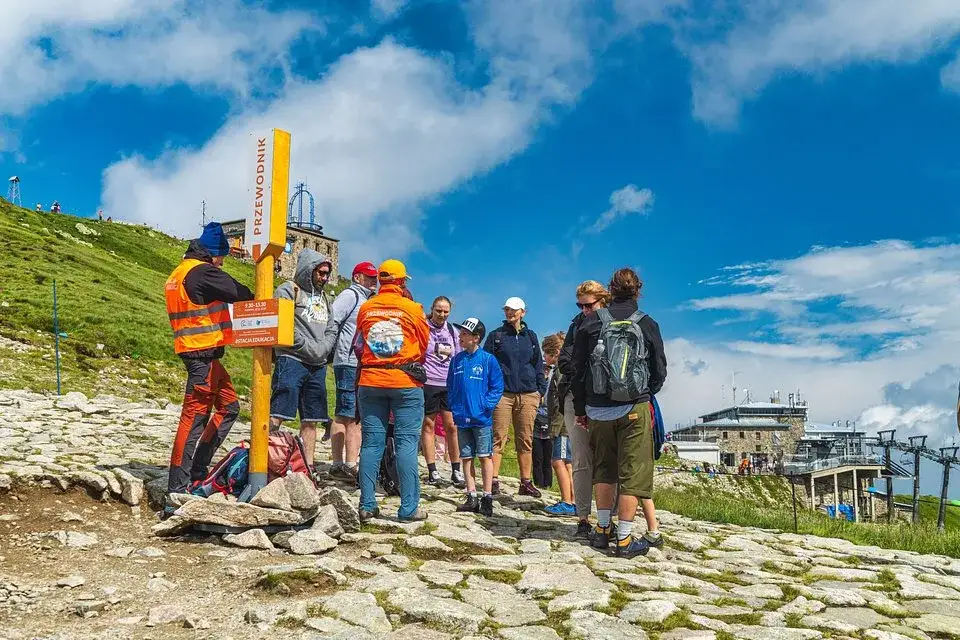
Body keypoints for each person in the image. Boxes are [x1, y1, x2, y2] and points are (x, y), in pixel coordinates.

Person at [572, 267, 667, 558]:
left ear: (610, 291)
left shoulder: (590, 324)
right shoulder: (647, 324)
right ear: (638, 291)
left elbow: (576, 371)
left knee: (604, 469)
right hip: (634, 407)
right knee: (633, 474)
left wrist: (581, 408)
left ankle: (602, 530)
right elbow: (659, 371)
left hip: (597, 409)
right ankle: (624, 540)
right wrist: (643, 393)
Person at [164, 222, 253, 496]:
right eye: (222, 257)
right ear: (212, 253)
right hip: (202, 357)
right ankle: (177, 489)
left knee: (230, 408)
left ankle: (198, 471)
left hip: (202, 354)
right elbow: (242, 293)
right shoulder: (203, 273)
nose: (223, 263)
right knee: (192, 420)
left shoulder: (179, 273)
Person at [355, 259, 430, 522]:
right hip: (404, 381)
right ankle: (408, 508)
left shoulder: (366, 308)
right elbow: (423, 345)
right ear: (400, 282)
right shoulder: (413, 309)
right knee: (407, 444)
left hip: (371, 380)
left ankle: (367, 504)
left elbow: (361, 340)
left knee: (372, 444)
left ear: (380, 281)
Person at [268, 248, 333, 469]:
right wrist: (310, 348)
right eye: (320, 273)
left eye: (327, 274)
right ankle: (263, 456)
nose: (324, 278)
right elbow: (284, 324)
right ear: (309, 270)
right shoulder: (288, 290)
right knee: (278, 411)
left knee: (312, 418)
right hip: (291, 359)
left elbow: (332, 328)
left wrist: (322, 349)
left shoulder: (325, 298)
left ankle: (309, 466)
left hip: (318, 365)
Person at [557, 280, 611, 538]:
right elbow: (564, 359)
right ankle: (582, 518)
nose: (584, 309)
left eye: (588, 304)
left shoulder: (611, 324)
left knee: (608, 458)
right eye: (579, 305)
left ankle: (608, 517)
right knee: (580, 459)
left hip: (606, 400)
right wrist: (583, 375)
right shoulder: (577, 324)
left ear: (602, 300)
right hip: (575, 395)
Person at [319, 261, 379, 480]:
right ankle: (347, 464)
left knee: (350, 412)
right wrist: (330, 348)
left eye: (375, 277)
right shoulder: (350, 295)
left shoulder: (365, 299)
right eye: (369, 276)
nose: (374, 281)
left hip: (357, 362)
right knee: (349, 413)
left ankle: (342, 463)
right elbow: (332, 320)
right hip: (347, 360)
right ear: (357, 277)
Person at [483, 296, 547, 497]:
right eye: (507, 310)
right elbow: (487, 364)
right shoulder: (496, 336)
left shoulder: (531, 336)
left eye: (514, 310)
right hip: (503, 393)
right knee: (498, 437)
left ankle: (525, 482)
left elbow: (538, 364)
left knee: (525, 439)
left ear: (523, 312)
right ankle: (492, 480)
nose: (510, 313)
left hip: (528, 394)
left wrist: (540, 390)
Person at [449, 318, 503, 517]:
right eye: (460, 333)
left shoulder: (488, 360)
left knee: (484, 456)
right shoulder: (456, 360)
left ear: (476, 337)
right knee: (466, 456)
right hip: (462, 417)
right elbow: (451, 386)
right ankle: (471, 495)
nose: (460, 337)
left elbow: (497, 386)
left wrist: (485, 406)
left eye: (464, 334)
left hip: (481, 418)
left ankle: (487, 496)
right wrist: (455, 407)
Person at [422, 296, 465, 487]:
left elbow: (458, 356)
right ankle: (432, 470)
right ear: (433, 309)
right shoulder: (423, 327)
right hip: (428, 382)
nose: (442, 314)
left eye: (446, 311)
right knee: (429, 425)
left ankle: (456, 469)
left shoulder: (453, 331)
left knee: (452, 427)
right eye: (439, 310)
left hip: (448, 384)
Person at [543, 332, 576, 516]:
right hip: (562, 422)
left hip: (561, 423)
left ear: (554, 352)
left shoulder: (560, 371)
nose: (544, 358)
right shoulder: (559, 370)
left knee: (558, 461)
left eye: (546, 353)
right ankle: (572, 499)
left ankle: (567, 501)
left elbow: (560, 400)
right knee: (568, 462)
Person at [532, 393, 553, 489]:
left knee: (548, 460)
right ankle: (538, 483)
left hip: (550, 421)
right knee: (537, 458)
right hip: (536, 421)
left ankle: (547, 483)